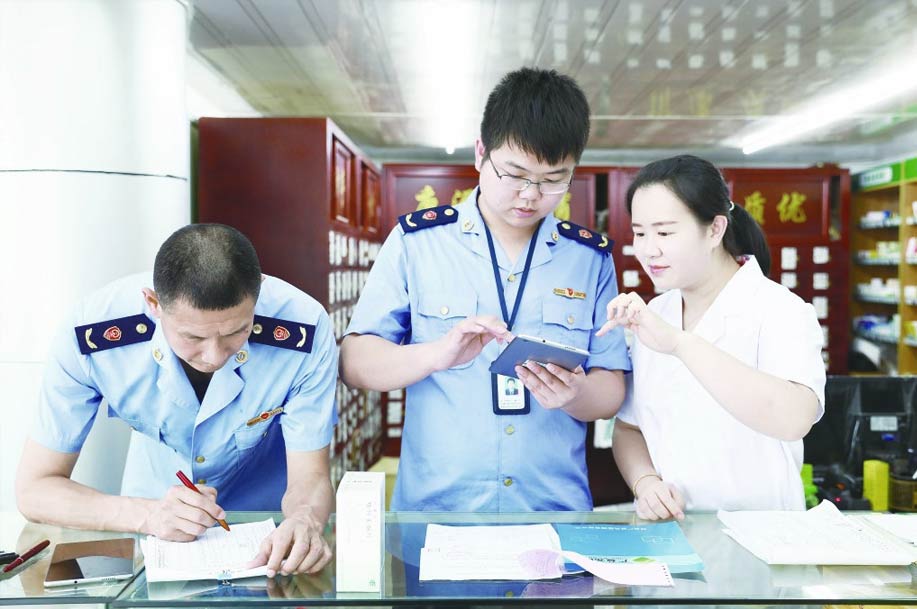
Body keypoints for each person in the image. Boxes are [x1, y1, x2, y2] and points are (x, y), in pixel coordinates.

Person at [340, 68, 630, 512]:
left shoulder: (589, 259)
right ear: (481, 153)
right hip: (438, 513)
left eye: (553, 180)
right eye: (514, 174)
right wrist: (435, 355)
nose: (530, 195)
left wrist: (577, 396)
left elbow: (611, 386)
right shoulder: (418, 242)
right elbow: (355, 362)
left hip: (552, 510)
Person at [16, 224, 337, 576]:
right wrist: (149, 514)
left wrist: (305, 519)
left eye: (236, 332)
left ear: (258, 293)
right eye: (193, 337)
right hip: (154, 529)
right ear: (153, 304)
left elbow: (311, 474)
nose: (215, 356)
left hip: (269, 535)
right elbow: (35, 489)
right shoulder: (92, 334)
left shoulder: (305, 329)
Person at [598, 155, 826, 520]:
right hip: (675, 531)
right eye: (640, 233)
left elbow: (794, 418)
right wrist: (646, 483)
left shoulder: (779, 310)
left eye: (665, 233)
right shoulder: (658, 312)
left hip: (763, 532)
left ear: (715, 230)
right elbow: (628, 428)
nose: (649, 249)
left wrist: (680, 343)